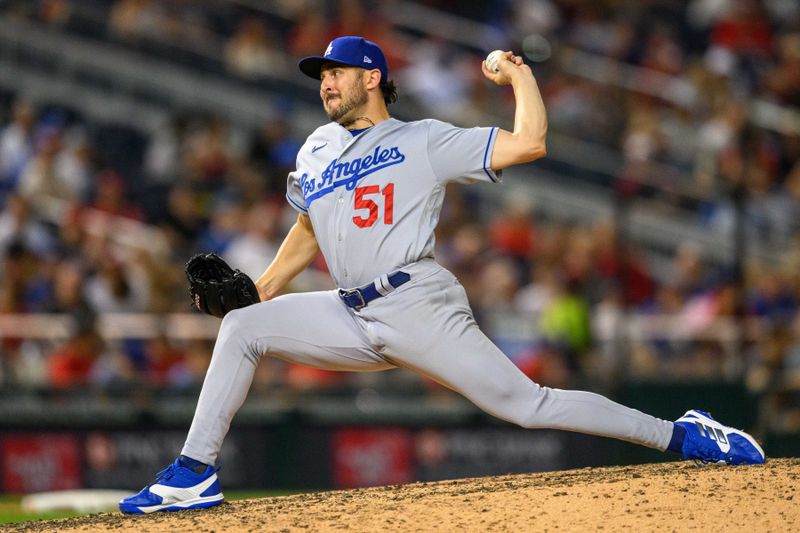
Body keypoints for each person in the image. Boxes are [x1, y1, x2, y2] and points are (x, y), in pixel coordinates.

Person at [119, 36, 765, 514]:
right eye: (321, 75)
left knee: (530, 406)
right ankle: (193, 471)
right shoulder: (316, 147)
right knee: (242, 328)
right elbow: (308, 231)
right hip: (348, 311)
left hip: (416, 304)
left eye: (335, 72)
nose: (325, 83)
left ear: (372, 76)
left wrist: (518, 75)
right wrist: (257, 292)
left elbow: (530, 141)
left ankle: (683, 432)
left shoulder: (423, 139)